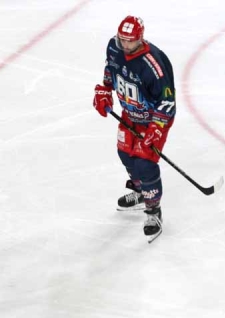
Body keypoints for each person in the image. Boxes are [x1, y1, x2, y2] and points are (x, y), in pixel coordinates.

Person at [93, 15, 175, 242]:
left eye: (130, 41)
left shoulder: (153, 65)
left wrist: (157, 127)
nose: (125, 45)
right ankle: (140, 192)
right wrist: (104, 90)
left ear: (140, 39)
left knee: (145, 162)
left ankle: (153, 211)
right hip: (130, 114)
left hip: (154, 120)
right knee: (125, 154)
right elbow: (111, 69)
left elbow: (167, 101)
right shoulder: (114, 46)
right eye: (122, 40)